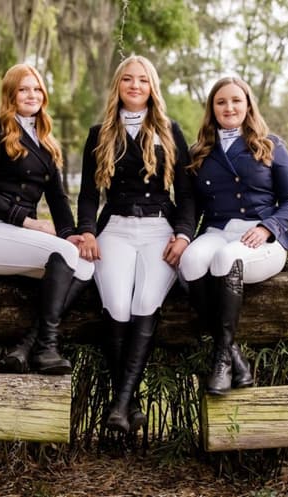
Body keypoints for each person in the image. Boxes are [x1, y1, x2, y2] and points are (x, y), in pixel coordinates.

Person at [76, 55, 195, 433]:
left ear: (152, 87)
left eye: (143, 80)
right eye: (128, 79)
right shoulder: (99, 133)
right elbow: (87, 195)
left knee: (145, 303)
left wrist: (184, 234)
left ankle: (119, 404)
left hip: (160, 229)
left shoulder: (170, 130)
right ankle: (131, 403)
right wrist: (87, 231)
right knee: (115, 305)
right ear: (118, 85)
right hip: (115, 229)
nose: (135, 85)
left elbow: (187, 194)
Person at [0, 63, 94, 375]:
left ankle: (26, 347)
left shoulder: (45, 141)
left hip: (16, 237)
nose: (32, 95)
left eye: (37, 89)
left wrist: (70, 233)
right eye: (23, 89)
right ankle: (47, 348)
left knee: (85, 265)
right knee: (65, 254)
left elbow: (58, 199)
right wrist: (29, 222)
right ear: (11, 94)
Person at [179, 76, 288, 395]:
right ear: (212, 109)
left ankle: (221, 362)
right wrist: (182, 236)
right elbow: (191, 206)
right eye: (221, 102)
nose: (229, 107)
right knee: (190, 260)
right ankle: (235, 356)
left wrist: (267, 227)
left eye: (236, 100)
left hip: (261, 237)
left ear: (248, 105)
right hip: (217, 230)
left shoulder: (271, 144)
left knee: (226, 257)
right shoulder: (199, 151)